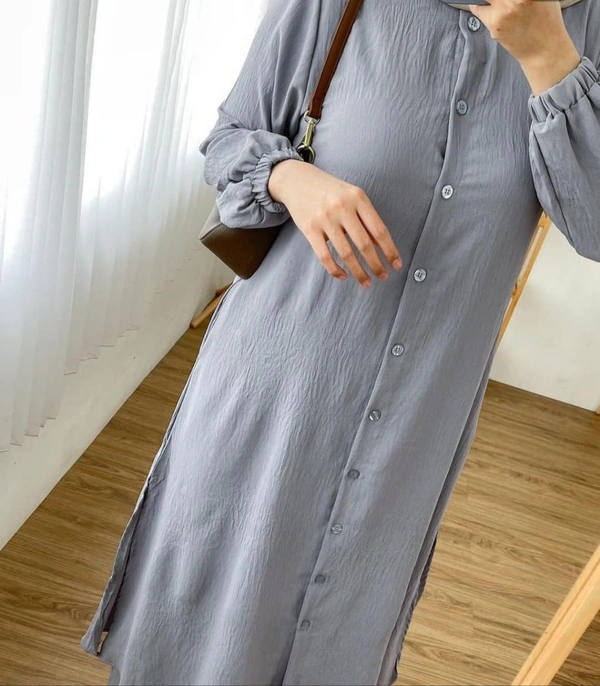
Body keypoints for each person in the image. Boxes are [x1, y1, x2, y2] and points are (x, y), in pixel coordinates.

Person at [80, 0, 600, 684]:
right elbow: (231, 137)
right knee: (205, 620)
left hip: (417, 418)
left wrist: (548, 59)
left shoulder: (583, 25)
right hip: (276, 382)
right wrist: (289, 178)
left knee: (341, 624)